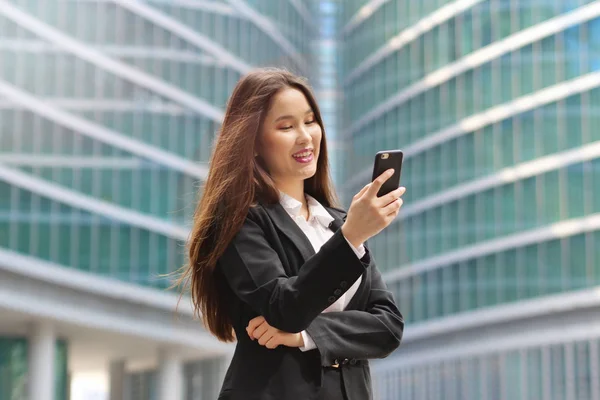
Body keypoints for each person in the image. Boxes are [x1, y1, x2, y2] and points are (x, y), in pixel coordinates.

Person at [178, 68, 406, 400]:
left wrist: (304, 335)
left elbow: (387, 327)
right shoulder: (239, 222)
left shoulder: (340, 222)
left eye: (310, 122)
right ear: (252, 143)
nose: (305, 136)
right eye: (286, 126)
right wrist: (350, 238)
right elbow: (283, 307)